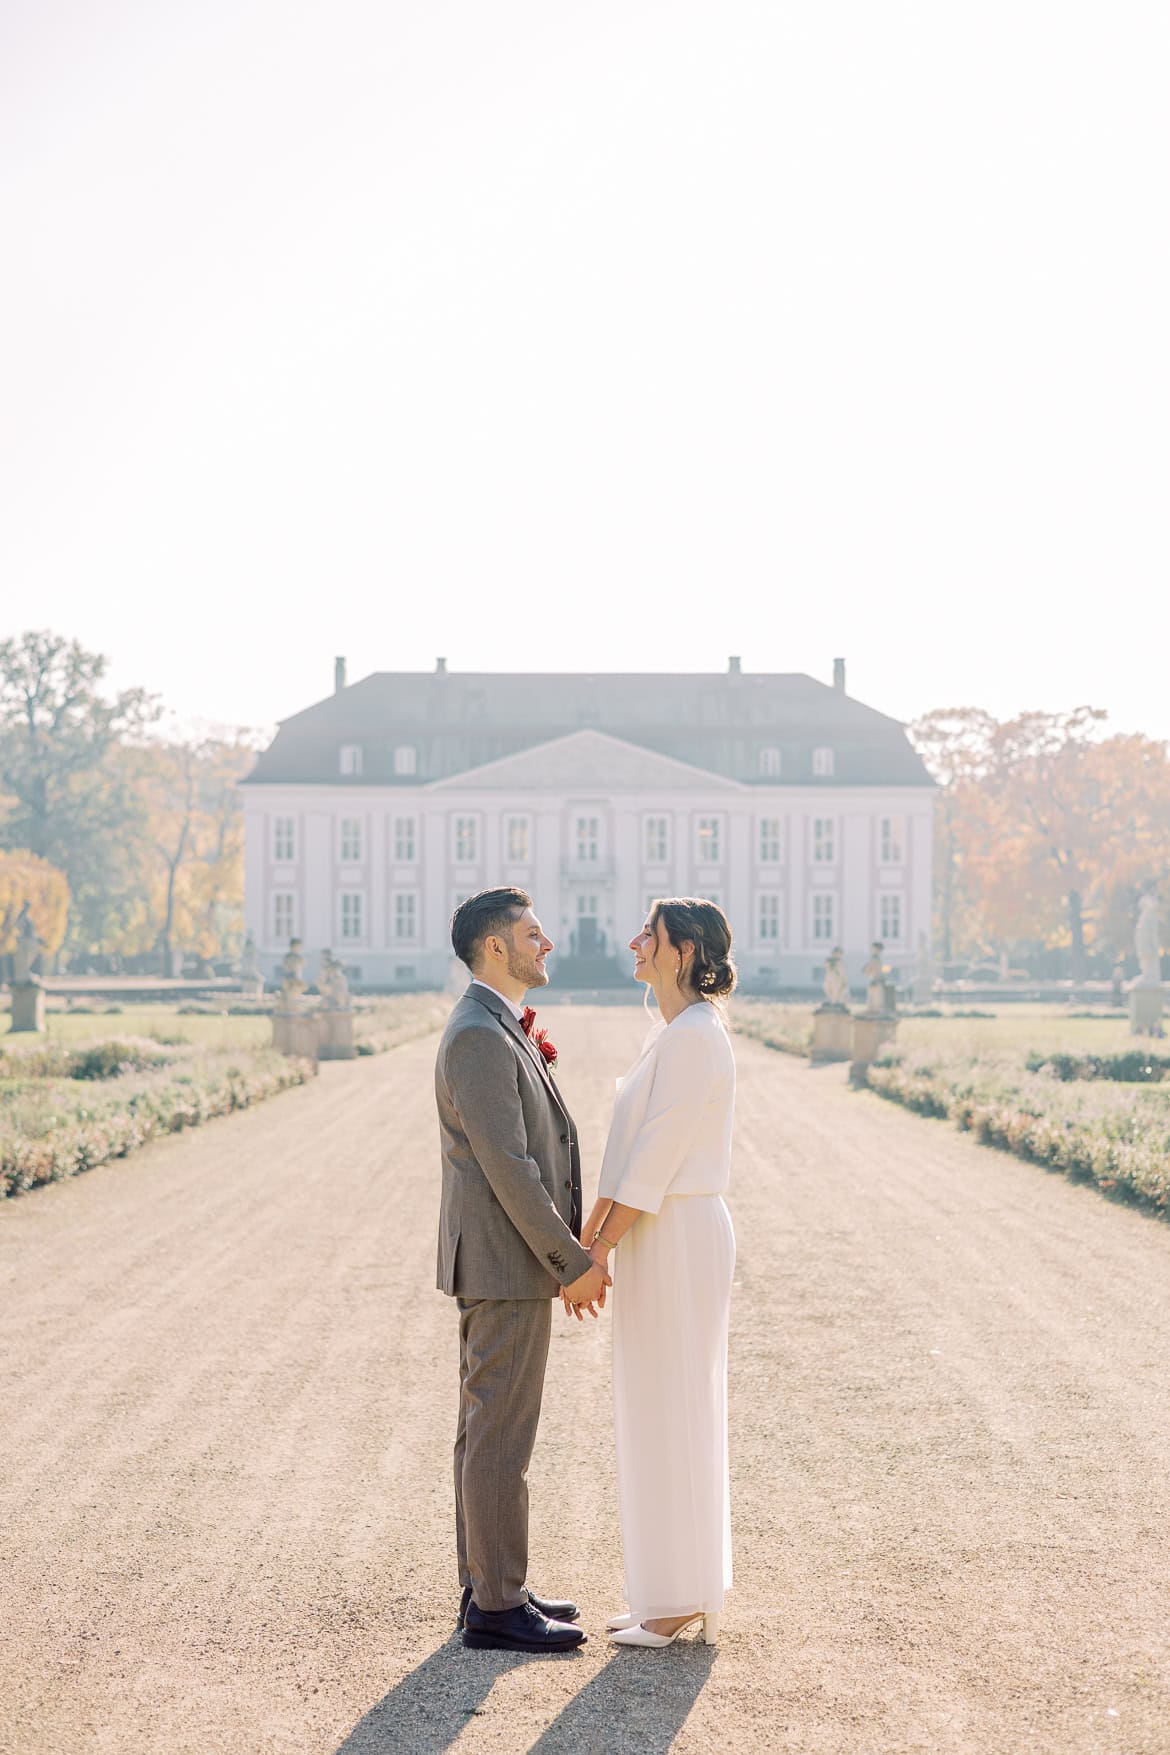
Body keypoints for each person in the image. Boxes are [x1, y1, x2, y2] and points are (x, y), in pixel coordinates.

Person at [434, 886, 610, 1653]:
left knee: (487, 1430)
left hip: (505, 1264)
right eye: (534, 934)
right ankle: (497, 1605)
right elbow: (511, 1168)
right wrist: (571, 1262)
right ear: (496, 947)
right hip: (506, 1264)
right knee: (500, 1433)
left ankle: (491, 1582)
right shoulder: (478, 1033)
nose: (548, 944)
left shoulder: (495, 1025)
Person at [579, 896, 737, 1649]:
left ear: (681, 952)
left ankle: (677, 1601)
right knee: (651, 1402)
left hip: (676, 1227)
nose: (635, 942)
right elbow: (628, 1147)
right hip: (658, 1227)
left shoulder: (694, 1037)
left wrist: (601, 1247)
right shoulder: (671, 1033)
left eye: (650, 934)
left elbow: (658, 1156)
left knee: (675, 1403)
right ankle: (659, 1591)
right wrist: (592, 1231)